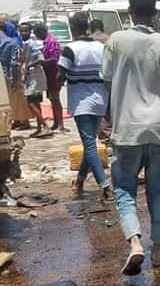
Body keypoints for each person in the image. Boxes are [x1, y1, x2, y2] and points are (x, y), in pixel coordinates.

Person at [103, 0, 160, 275]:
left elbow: (108, 83)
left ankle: (135, 242)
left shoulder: (116, 41)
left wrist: (107, 118)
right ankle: (158, 249)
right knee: (158, 190)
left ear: (130, 11)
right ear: (155, 13)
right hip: (158, 127)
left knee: (124, 188)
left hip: (127, 128)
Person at [59, 12, 112, 200]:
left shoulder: (70, 49)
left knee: (89, 145)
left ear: (72, 28)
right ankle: (80, 181)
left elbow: (60, 75)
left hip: (81, 102)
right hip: (100, 100)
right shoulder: (102, 48)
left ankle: (105, 185)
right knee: (89, 143)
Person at [20, 23, 51, 137]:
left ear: (30, 32)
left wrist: (29, 65)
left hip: (35, 75)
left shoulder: (32, 44)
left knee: (31, 102)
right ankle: (39, 128)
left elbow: (41, 59)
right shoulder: (25, 44)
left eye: (26, 30)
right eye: (22, 31)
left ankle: (45, 126)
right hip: (31, 75)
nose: (23, 33)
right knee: (36, 102)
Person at [35, 24, 67, 133]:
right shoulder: (46, 42)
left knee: (56, 98)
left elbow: (54, 59)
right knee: (52, 99)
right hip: (48, 74)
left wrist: (42, 62)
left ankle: (61, 124)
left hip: (54, 73)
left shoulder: (51, 42)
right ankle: (56, 122)